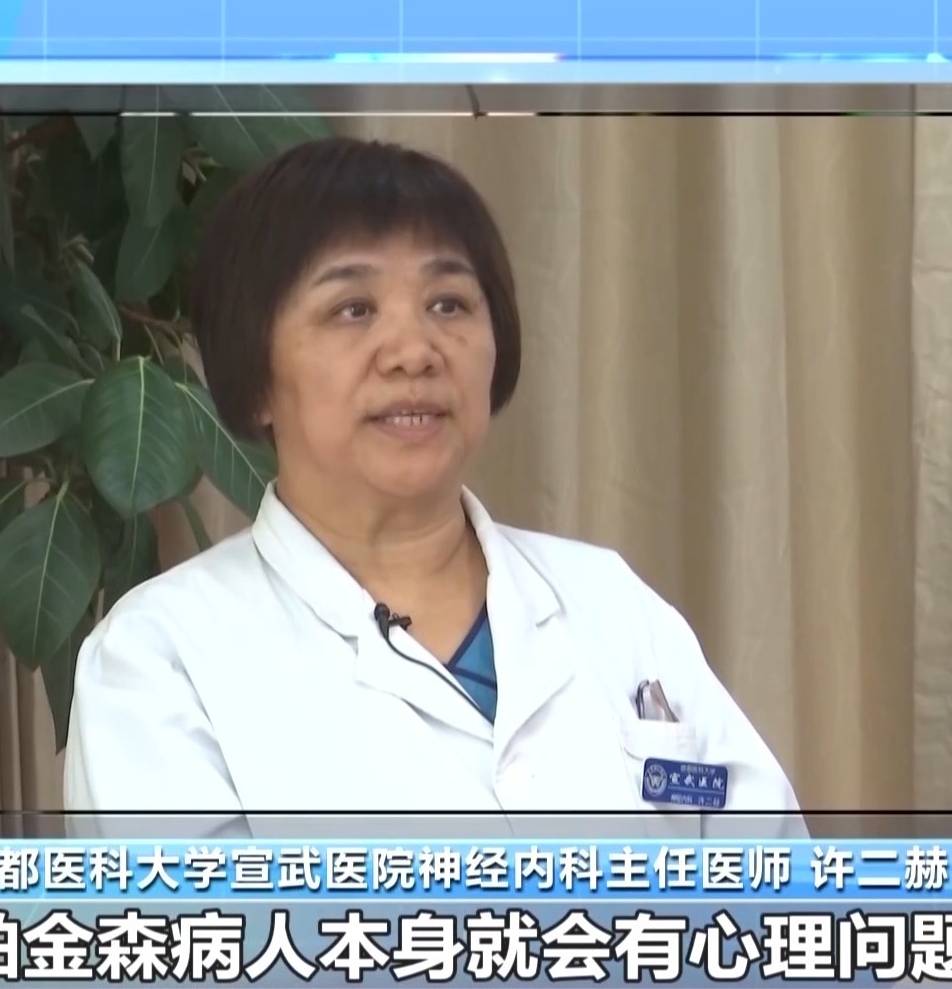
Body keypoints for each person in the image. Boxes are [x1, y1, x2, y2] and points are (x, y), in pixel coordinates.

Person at [63, 136, 801, 838]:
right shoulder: (159, 661)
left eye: (449, 304)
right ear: (255, 376)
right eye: (352, 309)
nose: (414, 352)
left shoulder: (611, 605)